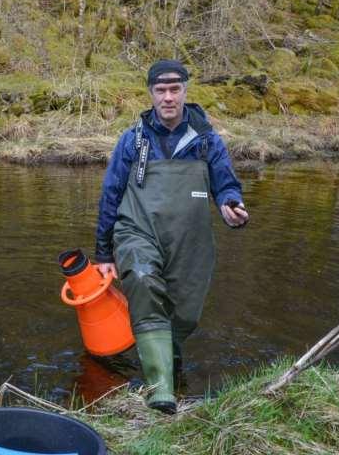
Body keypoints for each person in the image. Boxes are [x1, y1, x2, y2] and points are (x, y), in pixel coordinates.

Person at [94, 59, 248, 414]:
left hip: (190, 242)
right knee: (145, 282)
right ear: (150, 94)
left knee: (183, 315)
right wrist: (104, 254)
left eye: (174, 89)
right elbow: (110, 195)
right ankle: (161, 391)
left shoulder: (208, 141)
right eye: (160, 90)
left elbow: (226, 186)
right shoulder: (132, 140)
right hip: (137, 231)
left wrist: (231, 206)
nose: (167, 98)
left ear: (185, 92)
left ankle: (171, 364)